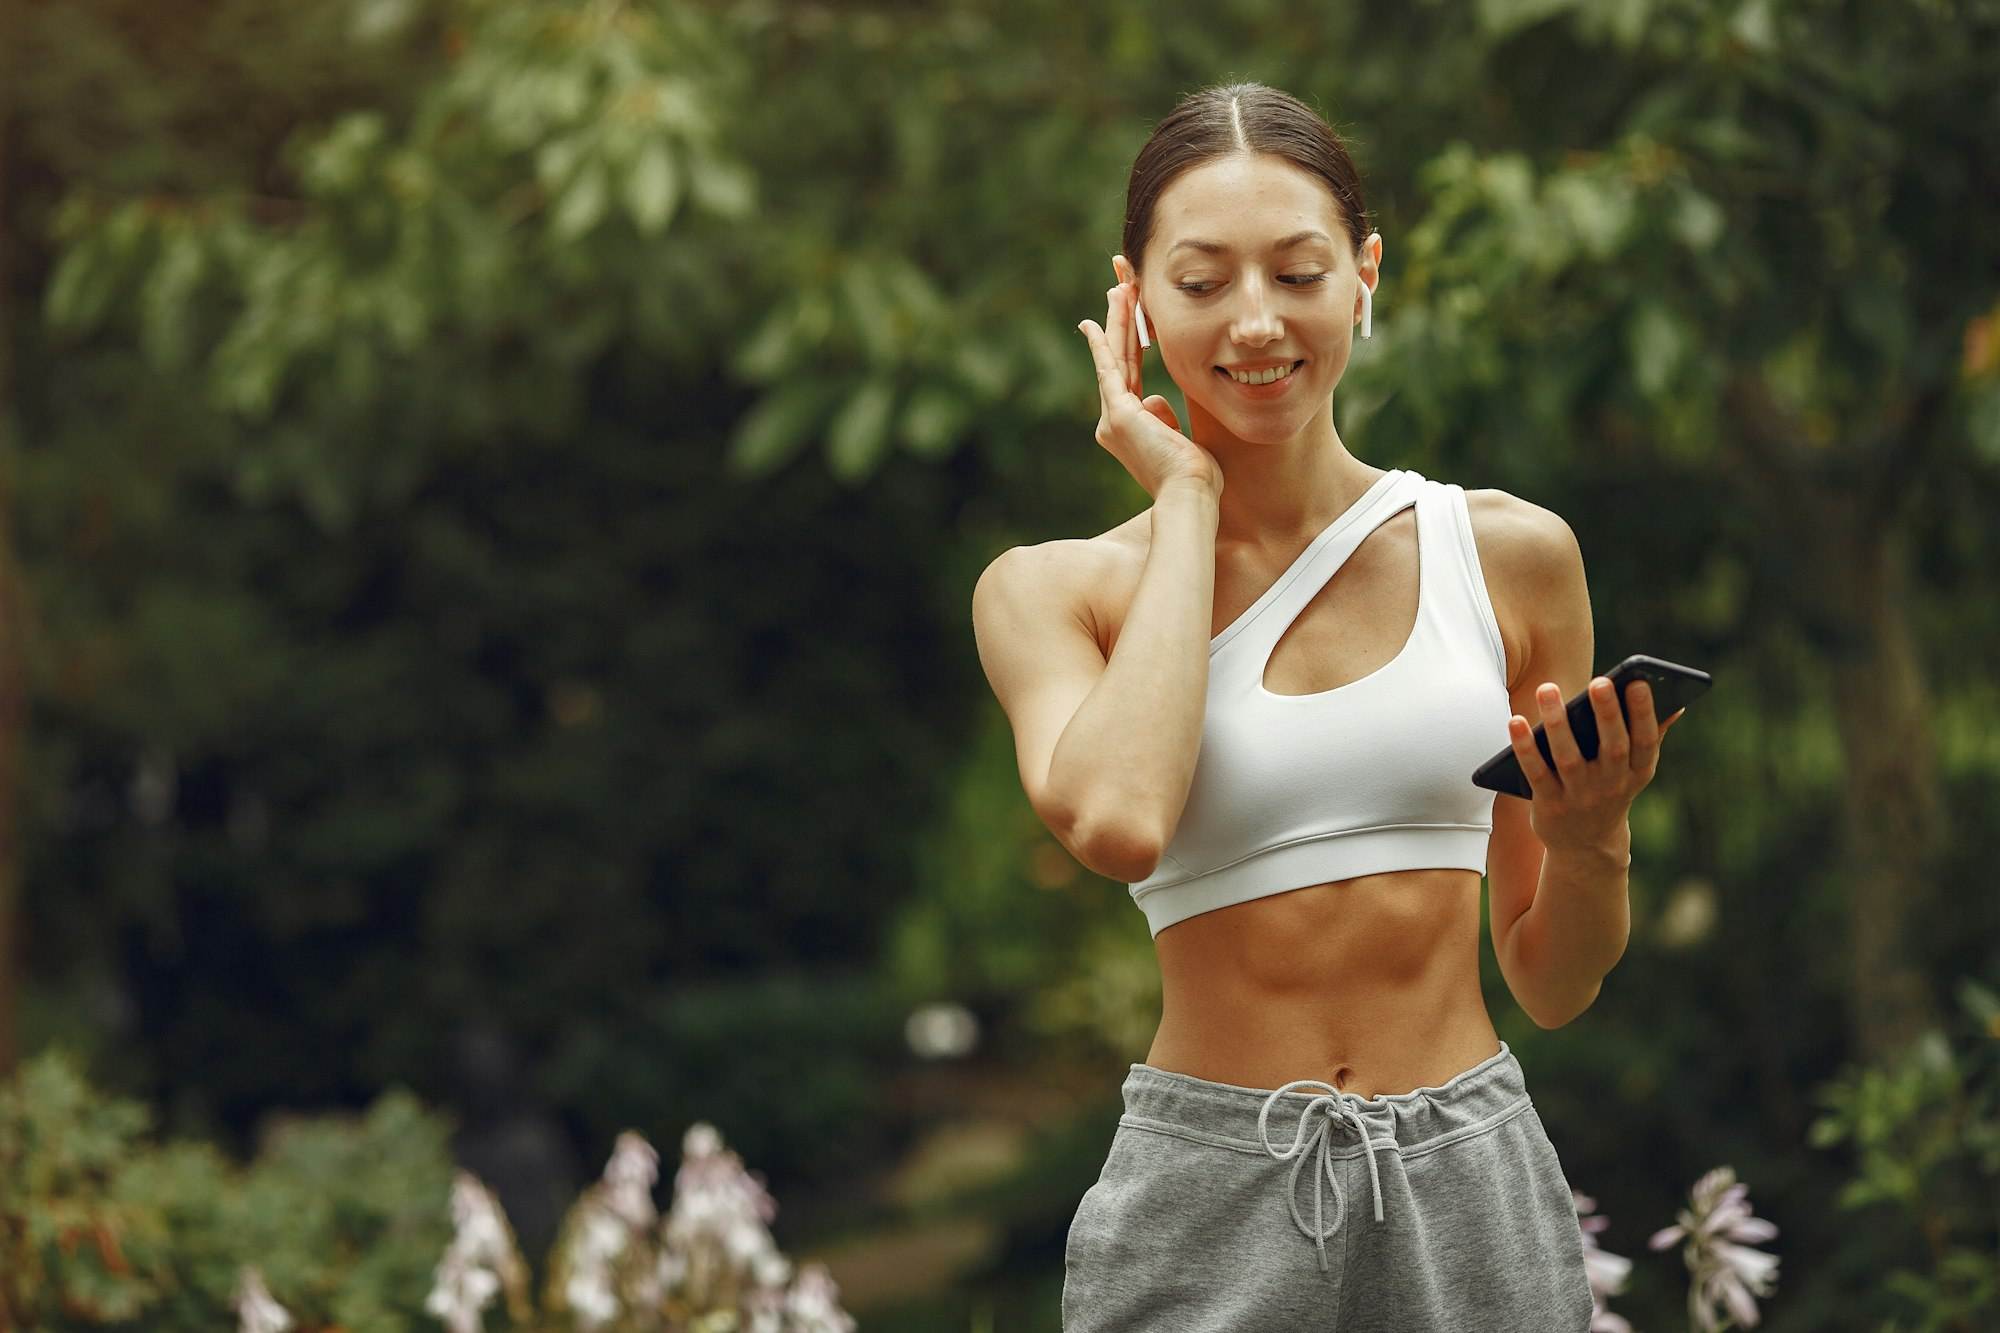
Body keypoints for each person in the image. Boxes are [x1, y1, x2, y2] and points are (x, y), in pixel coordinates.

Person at [970, 83, 1683, 1330]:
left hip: (1470, 1172)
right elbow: (1121, 820)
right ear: (1130, 300)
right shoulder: (1053, 592)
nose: (1255, 322)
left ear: (1362, 277)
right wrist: (1184, 490)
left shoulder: (1508, 555)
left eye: (1297, 273)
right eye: (1201, 284)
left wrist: (1588, 840)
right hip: (1210, 1186)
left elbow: (1551, 980)